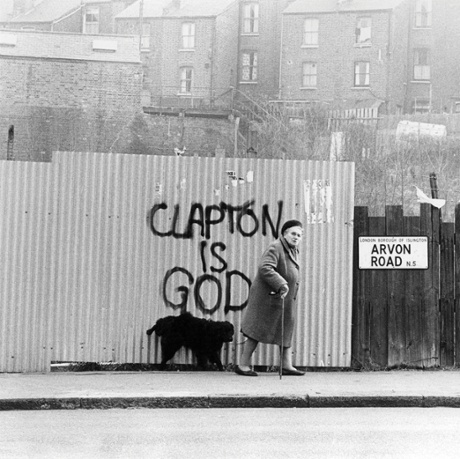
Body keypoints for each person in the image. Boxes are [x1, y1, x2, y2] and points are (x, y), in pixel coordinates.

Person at [235, 219, 305, 376]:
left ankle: (286, 365)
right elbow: (265, 268)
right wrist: (281, 283)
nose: (296, 237)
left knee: (286, 329)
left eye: (299, 235)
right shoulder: (275, 247)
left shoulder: (293, 250)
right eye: (293, 234)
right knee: (256, 330)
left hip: (284, 298)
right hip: (268, 297)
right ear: (284, 234)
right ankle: (243, 365)